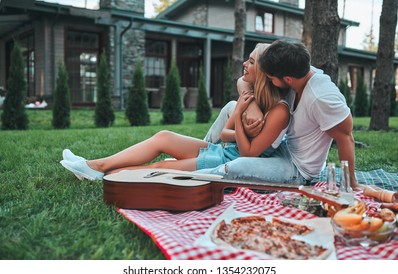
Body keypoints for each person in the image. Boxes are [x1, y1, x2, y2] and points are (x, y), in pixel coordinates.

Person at [60, 44, 291, 181]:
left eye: (251, 61)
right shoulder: (249, 95)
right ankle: (95, 165)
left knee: (158, 169)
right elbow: (225, 135)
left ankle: (103, 173)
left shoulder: (278, 110)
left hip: (229, 159)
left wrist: (240, 122)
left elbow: (248, 154)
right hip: (222, 149)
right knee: (163, 137)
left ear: (263, 71)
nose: (244, 64)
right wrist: (242, 109)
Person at [198, 39, 367, 191]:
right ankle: (201, 152)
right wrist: (253, 106)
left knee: (236, 167)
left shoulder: (322, 98)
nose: (270, 82)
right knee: (231, 106)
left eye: (271, 79)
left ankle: (189, 178)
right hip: (283, 146)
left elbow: (346, 137)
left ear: (287, 79)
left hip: (297, 168)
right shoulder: (293, 67)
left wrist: (350, 182)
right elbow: (243, 81)